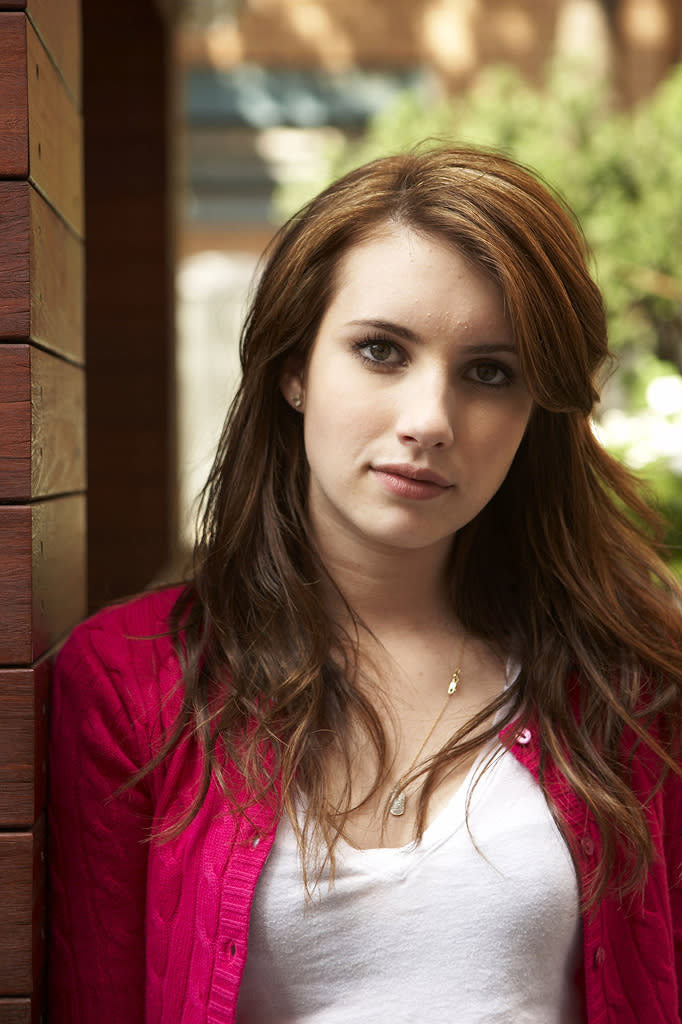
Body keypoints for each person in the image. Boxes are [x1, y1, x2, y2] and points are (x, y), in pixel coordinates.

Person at [48, 145, 682, 1024]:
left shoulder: (633, 686)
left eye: (489, 373)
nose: (429, 421)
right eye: (382, 350)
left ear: (536, 412)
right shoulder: (127, 684)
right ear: (295, 368)